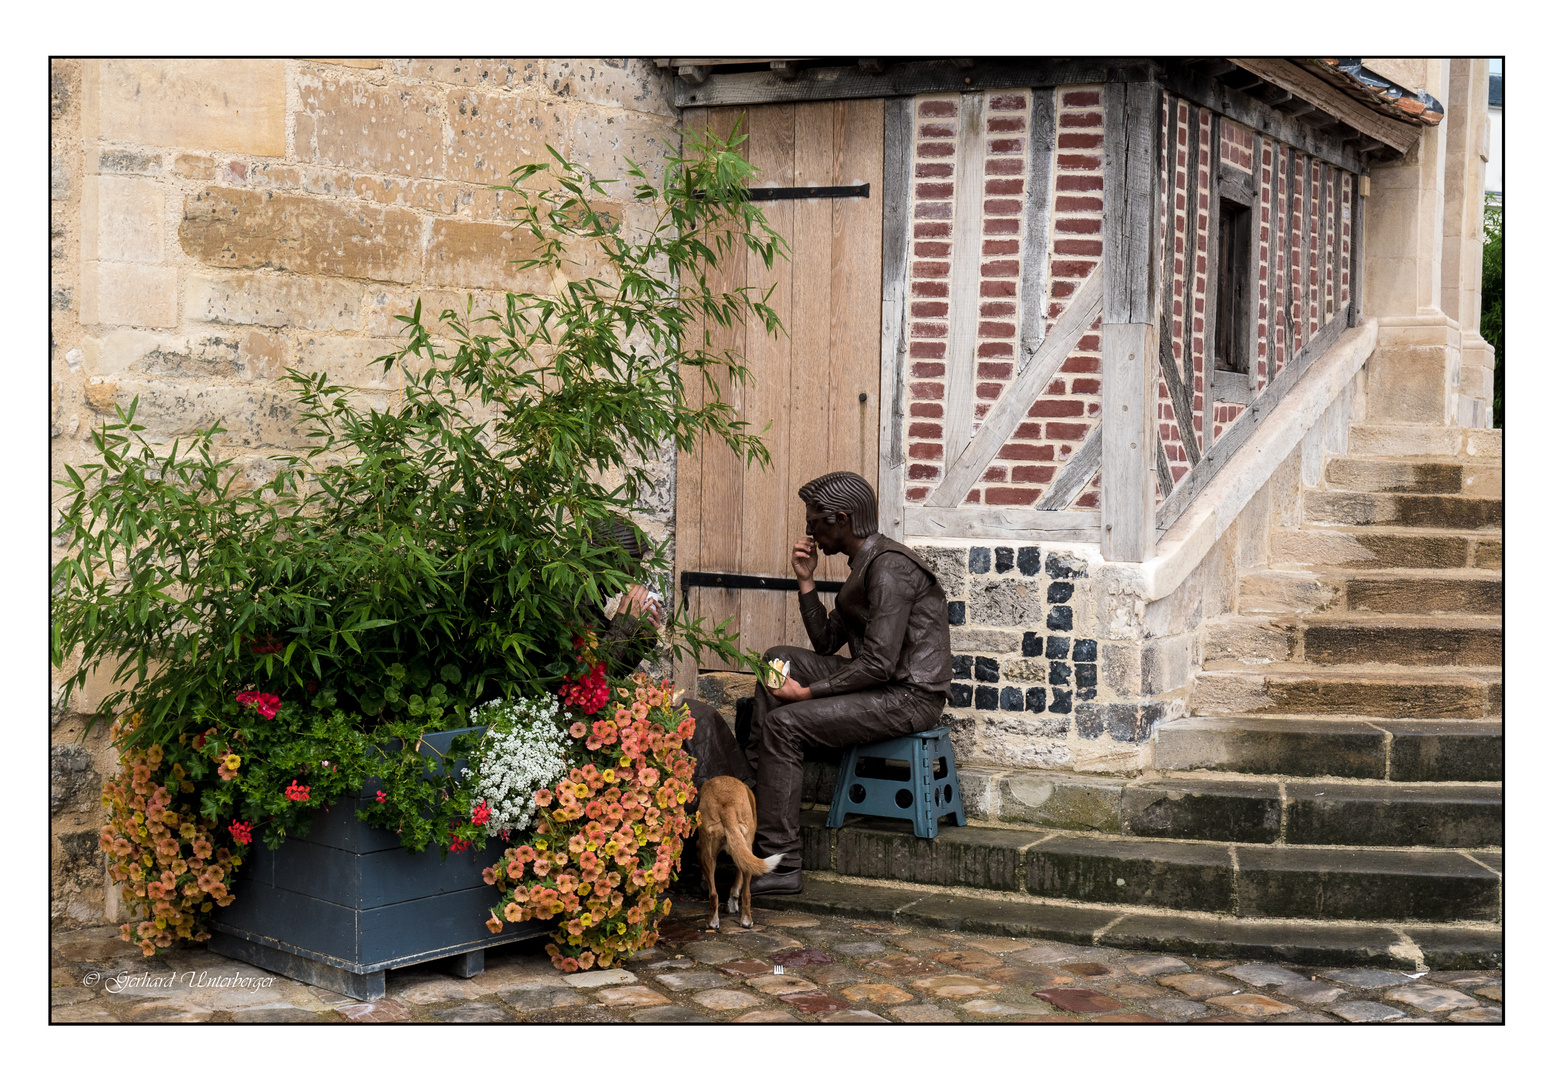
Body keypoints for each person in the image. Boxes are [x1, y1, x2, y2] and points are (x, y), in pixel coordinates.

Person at [743, 471, 953, 895]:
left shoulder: (890, 569)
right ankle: (753, 796)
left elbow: (877, 663)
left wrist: (807, 695)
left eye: (814, 521)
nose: (808, 531)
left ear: (840, 519)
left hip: (907, 697)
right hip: (881, 684)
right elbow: (825, 642)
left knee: (784, 725)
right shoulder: (866, 567)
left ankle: (782, 862)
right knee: (775, 661)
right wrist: (806, 580)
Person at [585, 517, 753, 794]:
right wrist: (624, 622)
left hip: (600, 699)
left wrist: (644, 633)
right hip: (589, 709)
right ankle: (717, 803)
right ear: (610, 558)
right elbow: (597, 675)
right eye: (632, 564)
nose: (633, 576)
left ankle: (735, 800)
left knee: (703, 716)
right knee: (696, 719)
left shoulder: (591, 598)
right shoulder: (572, 604)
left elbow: (614, 667)